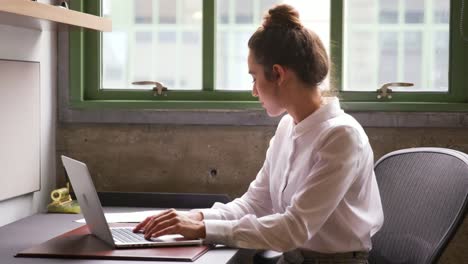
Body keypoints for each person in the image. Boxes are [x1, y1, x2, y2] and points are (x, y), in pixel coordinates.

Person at [133, 4, 384, 264]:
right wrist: (196, 218)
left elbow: (294, 227)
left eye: (254, 77)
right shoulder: (288, 127)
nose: (253, 90)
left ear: (278, 74)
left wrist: (203, 230)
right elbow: (255, 204)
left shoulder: (341, 137)